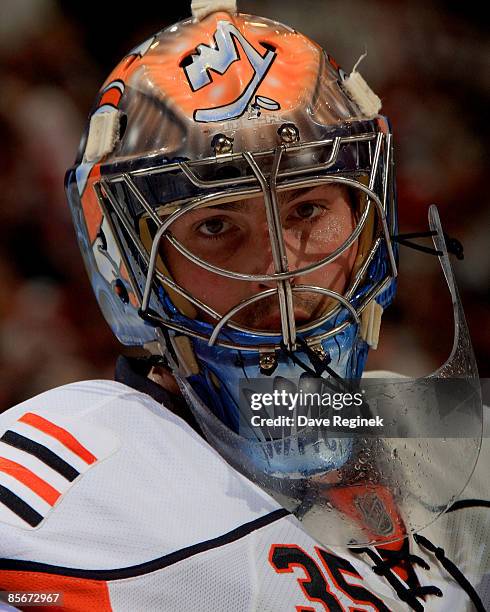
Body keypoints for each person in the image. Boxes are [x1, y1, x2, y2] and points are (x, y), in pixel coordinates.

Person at [0, 1, 488, 610]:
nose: (279, 267)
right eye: (216, 226)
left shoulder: (449, 443)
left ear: (369, 224)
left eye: (307, 209)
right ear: (132, 259)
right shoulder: (68, 494)